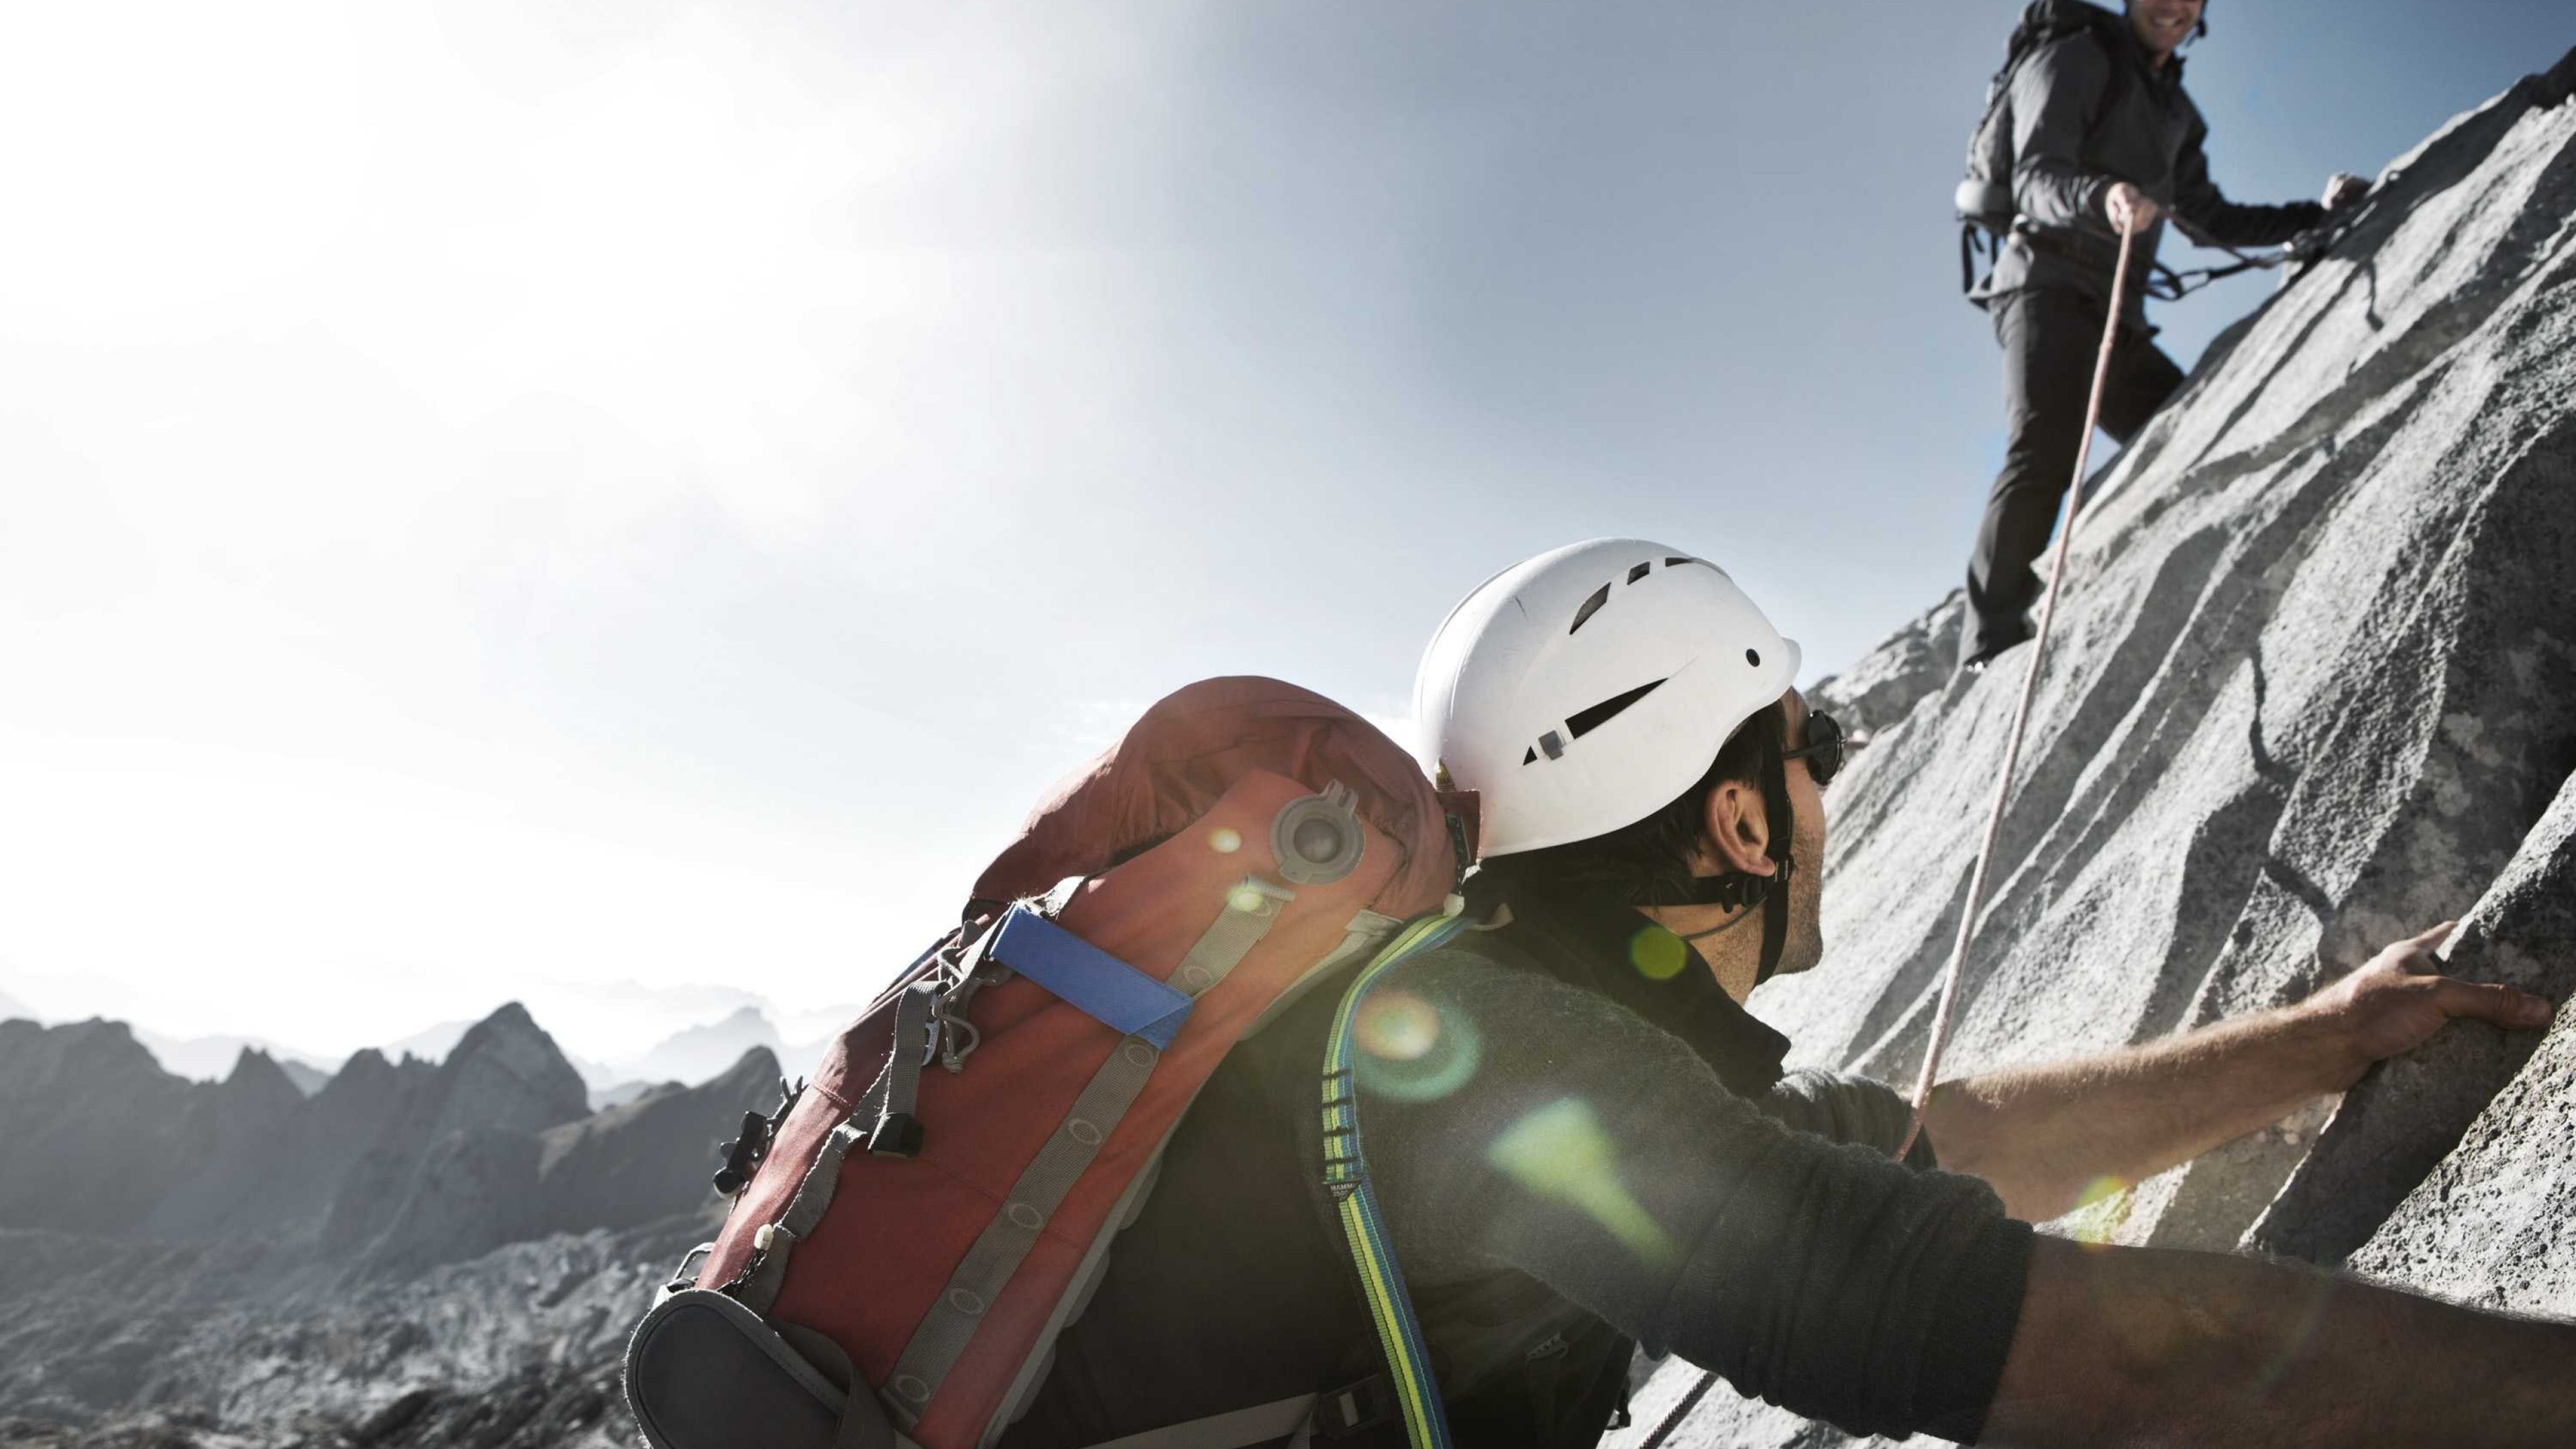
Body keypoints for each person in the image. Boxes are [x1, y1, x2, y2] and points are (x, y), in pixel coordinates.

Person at [998, 539, 2570, 1448]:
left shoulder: (1489, 1021)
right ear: (1737, 821)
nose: (1825, 786)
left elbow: (1923, 1144)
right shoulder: (1496, 1068)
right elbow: (2129, 1357)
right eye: (1803, 750)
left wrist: (2317, 1040)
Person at [1962, 0, 2368, 673]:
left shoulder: (2176, 112)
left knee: (2187, 428)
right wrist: (2105, 198)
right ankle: (1988, 645)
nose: (2172, 6)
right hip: (2045, 286)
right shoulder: (2073, 55)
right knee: (2047, 445)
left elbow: (2210, 215)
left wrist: (2315, 217)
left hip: (2116, 316)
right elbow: (2035, 176)